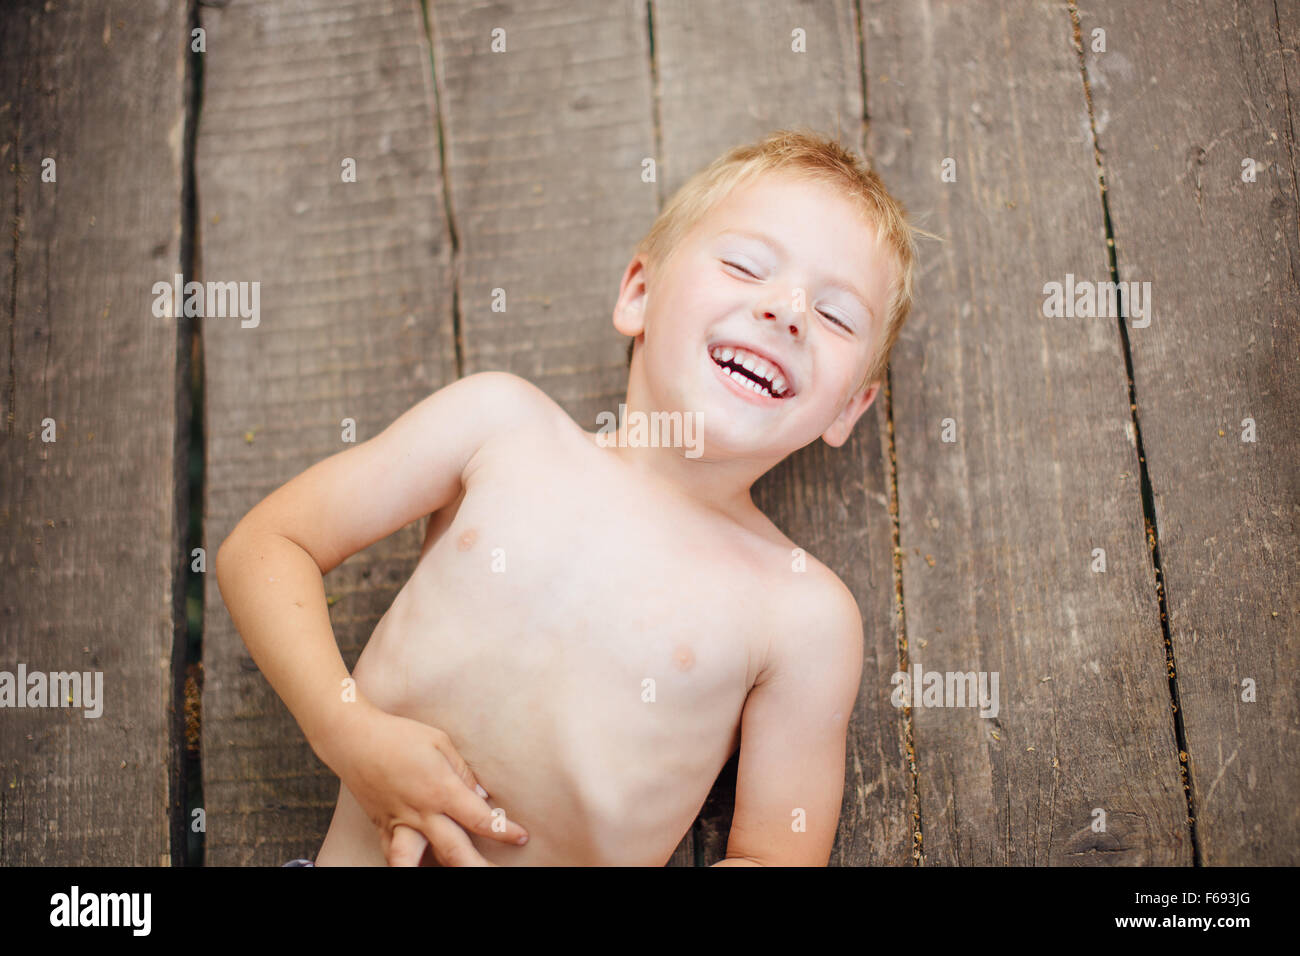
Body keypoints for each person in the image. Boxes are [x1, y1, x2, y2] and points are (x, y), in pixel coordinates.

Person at [217, 128, 923, 866]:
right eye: (747, 266)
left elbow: (779, 855)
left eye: (837, 315)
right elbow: (265, 546)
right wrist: (348, 730)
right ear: (639, 293)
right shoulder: (499, 427)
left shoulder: (803, 614)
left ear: (849, 408)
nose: (788, 311)